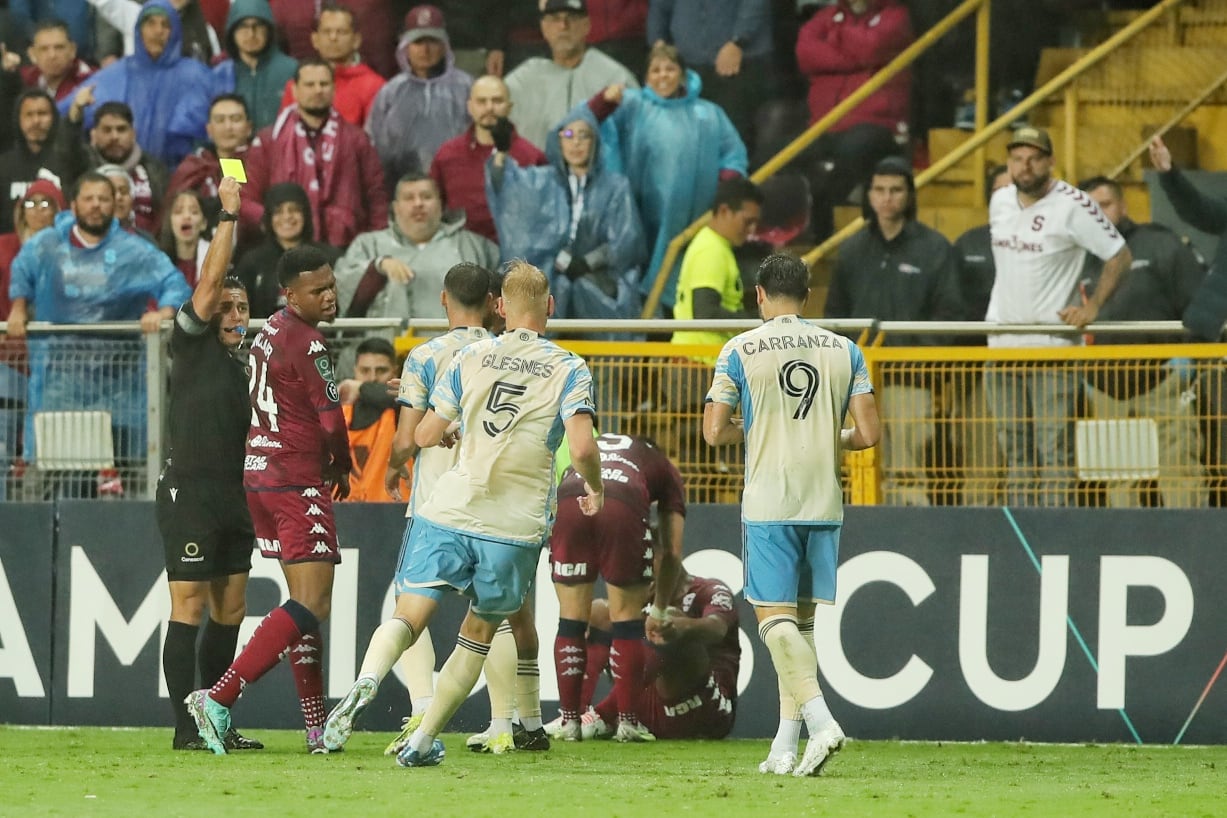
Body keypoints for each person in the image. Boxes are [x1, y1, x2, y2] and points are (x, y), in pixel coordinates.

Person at [383, 260, 603, 768]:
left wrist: (451, 431)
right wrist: (595, 485)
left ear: (500, 307)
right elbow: (583, 446)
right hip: (517, 522)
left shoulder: (471, 356)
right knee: (494, 626)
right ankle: (490, 727)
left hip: (454, 507)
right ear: (550, 306)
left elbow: (422, 435)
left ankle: (377, 686)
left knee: (414, 609)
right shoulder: (570, 366)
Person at [703, 252, 880, 777]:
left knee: (773, 621)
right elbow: (868, 435)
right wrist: (832, 437)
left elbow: (714, 430)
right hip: (824, 502)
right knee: (800, 627)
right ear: (808, 296)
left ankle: (822, 722)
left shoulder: (738, 351)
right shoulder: (845, 350)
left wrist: (750, 430)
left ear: (759, 294)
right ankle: (784, 743)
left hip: (770, 501)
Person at [321, 262, 498, 754]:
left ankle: (402, 694)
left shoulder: (424, 355)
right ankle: (505, 722)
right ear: (490, 301)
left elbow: (405, 442)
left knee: (409, 608)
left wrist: (398, 465)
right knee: (494, 613)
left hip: (435, 504)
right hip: (495, 502)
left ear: (443, 299)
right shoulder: (506, 354)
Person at [186, 244, 352, 755]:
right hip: (294, 478)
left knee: (301, 603)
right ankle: (218, 698)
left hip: (259, 476)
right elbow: (330, 419)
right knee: (312, 601)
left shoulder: (271, 329)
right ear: (289, 293)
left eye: (330, 284)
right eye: (316, 290)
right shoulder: (309, 342)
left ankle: (316, 728)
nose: (328, 295)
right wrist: (341, 465)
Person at [156, 176, 263, 752]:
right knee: (190, 605)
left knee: (232, 609)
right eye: (224, 304)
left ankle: (217, 718)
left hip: (235, 496)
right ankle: (183, 728)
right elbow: (211, 280)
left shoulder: (245, 366)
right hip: (190, 494)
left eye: (242, 306)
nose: (232, 312)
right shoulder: (190, 343)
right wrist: (228, 215)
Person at [6, 170, 192, 486]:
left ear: (115, 204)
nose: (96, 206)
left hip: (120, 383)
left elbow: (173, 281)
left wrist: (163, 311)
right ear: (74, 206)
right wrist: (19, 307)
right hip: (59, 381)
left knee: (127, 470)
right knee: (58, 473)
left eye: (104, 199)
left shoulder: (133, 251)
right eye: (89, 199)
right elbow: (22, 270)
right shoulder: (47, 245)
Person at [985, 126, 1131, 507]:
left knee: (1055, 453)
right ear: (1009, 163)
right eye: (1017, 158)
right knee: (1015, 456)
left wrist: (1093, 306)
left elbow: (1119, 255)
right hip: (1000, 347)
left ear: (1050, 161)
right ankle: (1021, 539)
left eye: (1034, 158)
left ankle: (1054, 539)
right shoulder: (999, 200)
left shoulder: (1075, 204)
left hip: (1052, 349)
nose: (1025, 166)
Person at [824, 155, 963, 506]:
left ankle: (909, 536)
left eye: (896, 190)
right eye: (880, 190)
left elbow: (950, 314)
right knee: (849, 470)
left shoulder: (934, 248)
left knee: (906, 469)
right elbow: (835, 315)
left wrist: (916, 356)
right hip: (853, 383)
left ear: (909, 196)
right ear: (869, 196)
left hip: (909, 381)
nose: (887, 198)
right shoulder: (852, 250)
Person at [1078, 175, 1208, 508]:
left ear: (1123, 205)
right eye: (1089, 208)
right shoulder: (1077, 257)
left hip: (1162, 383)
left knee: (1180, 471)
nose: (1098, 214)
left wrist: (1185, 362)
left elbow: (1198, 304)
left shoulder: (1160, 244)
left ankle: (1194, 548)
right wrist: (1086, 374)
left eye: (1104, 205)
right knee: (1120, 482)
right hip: (1106, 388)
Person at [588, 44, 748, 311]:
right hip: (643, 212)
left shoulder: (708, 113)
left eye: (670, 69)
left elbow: (733, 151)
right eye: (656, 70)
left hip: (696, 217)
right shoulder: (633, 105)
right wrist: (603, 100)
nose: (663, 75)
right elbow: (593, 124)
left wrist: (725, 180)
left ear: (683, 74)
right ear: (647, 77)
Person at [546, 433, 683, 741]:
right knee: (626, 621)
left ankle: (569, 721)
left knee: (570, 620)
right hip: (623, 502)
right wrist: (659, 608)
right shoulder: (664, 467)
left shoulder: (604, 441)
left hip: (570, 495)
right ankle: (628, 723)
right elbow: (673, 551)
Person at [487, 107, 646, 324]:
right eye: (569, 135)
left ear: (595, 142)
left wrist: (586, 263)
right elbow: (508, 189)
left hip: (600, 283)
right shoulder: (543, 182)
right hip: (550, 280)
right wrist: (501, 151)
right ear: (558, 141)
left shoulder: (615, 187)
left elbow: (626, 241)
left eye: (584, 135)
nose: (576, 143)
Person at [795, 0, 913, 240]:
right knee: (775, 154)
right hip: (825, 124)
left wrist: (834, 40)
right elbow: (805, 53)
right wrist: (856, 57)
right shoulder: (825, 16)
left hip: (878, 125)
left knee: (854, 149)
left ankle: (828, 234)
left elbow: (872, 46)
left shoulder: (896, 16)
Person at [577, 567, 740, 741]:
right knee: (599, 612)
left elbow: (717, 628)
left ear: (668, 557)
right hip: (645, 701)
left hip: (703, 705)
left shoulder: (710, 590)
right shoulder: (639, 593)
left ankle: (602, 715)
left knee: (665, 620)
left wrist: (680, 627)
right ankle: (577, 716)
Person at [245, 58, 389, 249]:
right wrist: (277, 223)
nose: (318, 90)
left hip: (345, 247)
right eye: (309, 84)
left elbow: (376, 195)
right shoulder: (267, 140)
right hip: (283, 250)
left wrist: (376, 243)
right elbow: (246, 197)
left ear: (334, 89)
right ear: (294, 90)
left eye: (324, 84)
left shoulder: (357, 139)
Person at [69, 0, 213, 166]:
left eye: (165, 25)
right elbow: (64, 118)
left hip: (182, 178)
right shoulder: (116, 74)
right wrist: (76, 111)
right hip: (122, 175)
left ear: (175, 32)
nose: (158, 31)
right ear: (139, 30)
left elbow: (221, 139)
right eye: (150, 23)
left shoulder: (197, 76)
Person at [336, 173, 497, 321]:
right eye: (409, 198)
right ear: (395, 208)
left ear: (441, 205)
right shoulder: (368, 245)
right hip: (385, 348)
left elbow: (501, 298)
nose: (418, 204)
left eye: (426, 197)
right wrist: (376, 267)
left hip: (459, 348)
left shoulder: (473, 246)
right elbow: (338, 291)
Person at [950, 163, 1012, 505]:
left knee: (1035, 462)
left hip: (1036, 363)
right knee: (983, 466)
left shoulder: (1051, 242)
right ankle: (977, 534)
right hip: (980, 371)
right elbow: (951, 307)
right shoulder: (969, 244)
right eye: (999, 191)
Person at [0, 179, 64, 500]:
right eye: (30, 204)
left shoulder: (68, 251)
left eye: (46, 204)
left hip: (55, 362)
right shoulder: (4, 247)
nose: (37, 211)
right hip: (7, 357)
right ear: (19, 210)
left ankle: (36, 479)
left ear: (58, 211)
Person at [504, 0, 638, 151]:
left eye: (572, 18)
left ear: (587, 25)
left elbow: (637, 135)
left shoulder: (614, 76)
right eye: (555, 19)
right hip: (536, 171)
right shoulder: (523, 80)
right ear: (544, 28)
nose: (563, 26)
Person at [430, 75, 547, 244]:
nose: (489, 108)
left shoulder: (531, 157)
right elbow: (434, 207)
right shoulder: (447, 155)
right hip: (461, 253)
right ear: (470, 107)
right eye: (481, 102)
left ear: (509, 107)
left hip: (515, 255)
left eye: (497, 101)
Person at [366, 5, 473, 186]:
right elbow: (373, 145)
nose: (425, 50)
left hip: (458, 184)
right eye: (418, 42)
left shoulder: (467, 88)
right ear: (405, 46)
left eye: (432, 41)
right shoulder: (390, 92)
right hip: (402, 187)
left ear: (444, 45)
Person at [646, 0, 772, 148]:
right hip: (690, 61)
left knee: (736, 133)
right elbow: (659, 8)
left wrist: (738, 40)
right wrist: (657, 41)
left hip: (739, 60)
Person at [234, 182, 340, 319]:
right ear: (269, 218)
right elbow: (235, 313)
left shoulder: (329, 258)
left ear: (306, 215)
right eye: (278, 211)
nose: (287, 217)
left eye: (294, 210)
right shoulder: (252, 262)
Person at [275, 3, 385, 128]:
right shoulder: (297, 85)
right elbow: (284, 135)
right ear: (315, 40)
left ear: (356, 40)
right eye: (326, 32)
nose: (333, 38)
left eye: (341, 32)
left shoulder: (374, 86)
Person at [0, 87, 88, 232]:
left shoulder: (70, 160)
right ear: (19, 120)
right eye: (29, 115)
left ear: (54, 118)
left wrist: (75, 116)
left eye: (42, 114)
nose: (36, 121)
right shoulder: (4, 165)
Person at [167, 94, 255, 229]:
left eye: (235, 119)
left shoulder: (260, 164)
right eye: (220, 120)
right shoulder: (194, 165)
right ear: (209, 129)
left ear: (249, 127)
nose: (228, 127)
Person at [336, 336, 408, 502]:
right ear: (355, 370)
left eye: (381, 371)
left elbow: (402, 397)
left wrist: (361, 387)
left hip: (392, 515)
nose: (373, 378)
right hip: (343, 515)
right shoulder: (341, 412)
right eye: (365, 371)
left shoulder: (404, 410)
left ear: (395, 372)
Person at [211, 0, 299, 131]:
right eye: (243, 27)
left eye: (258, 26)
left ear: (268, 30)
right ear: (232, 31)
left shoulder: (291, 70)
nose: (251, 34)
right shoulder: (221, 74)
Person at [86, 101, 168, 236]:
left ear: (133, 133)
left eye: (121, 129)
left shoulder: (155, 169)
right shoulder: (83, 169)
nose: (114, 137)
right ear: (93, 135)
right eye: (107, 130)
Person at [19, 18, 95, 102]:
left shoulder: (91, 80)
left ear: (72, 50)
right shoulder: (23, 80)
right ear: (32, 54)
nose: (52, 55)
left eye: (59, 47)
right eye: (44, 49)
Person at [158, 189, 210, 288]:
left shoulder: (216, 263)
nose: (186, 216)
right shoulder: (159, 265)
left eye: (194, 212)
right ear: (170, 221)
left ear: (204, 223)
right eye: (178, 212)